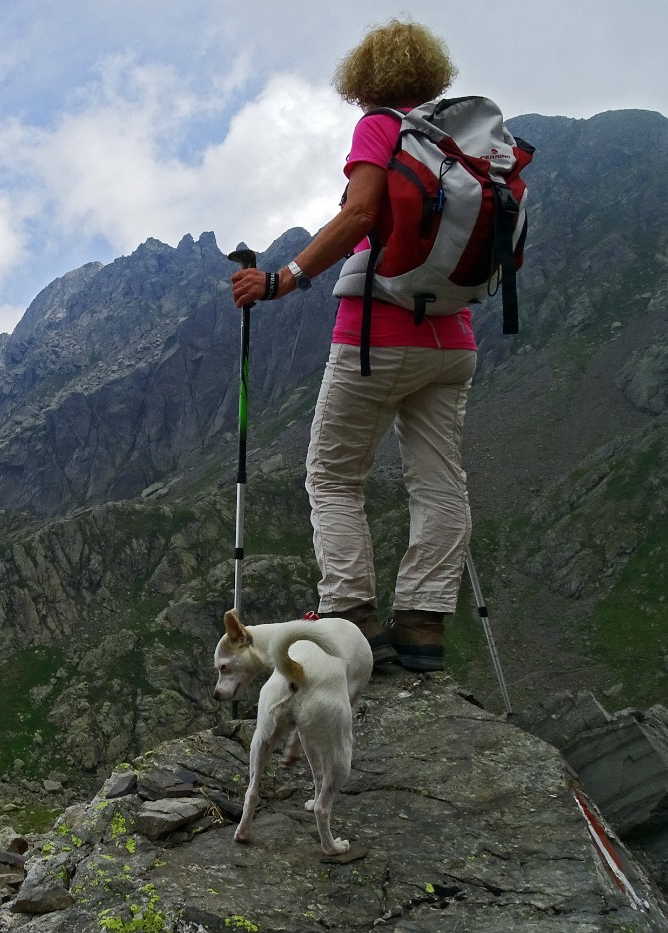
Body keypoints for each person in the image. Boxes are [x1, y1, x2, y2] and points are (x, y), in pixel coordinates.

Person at [229, 20, 472, 672]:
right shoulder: (460, 140)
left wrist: (286, 277)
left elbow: (361, 212)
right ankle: (422, 626)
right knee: (440, 482)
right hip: (453, 339)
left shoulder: (381, 126)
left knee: (333, 475)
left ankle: (352, 612)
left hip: (378, 333)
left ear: (365, 79)